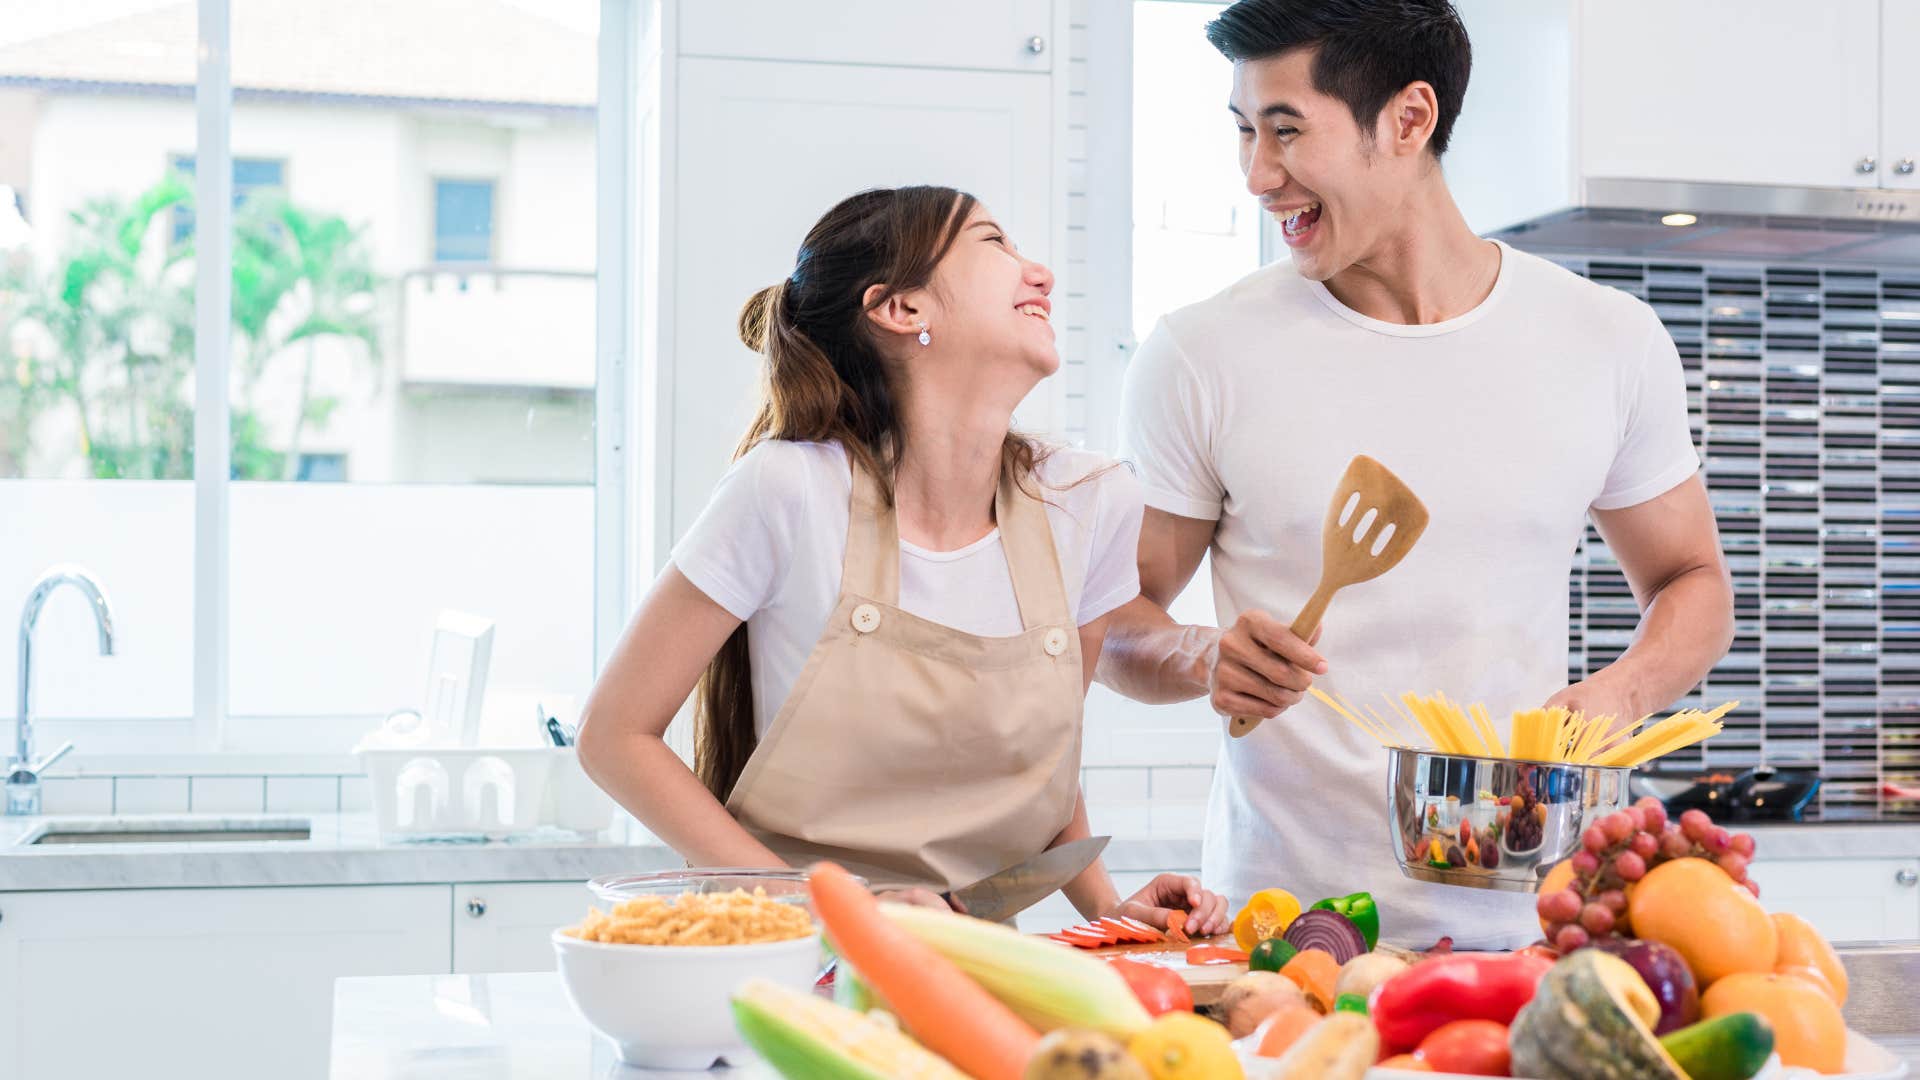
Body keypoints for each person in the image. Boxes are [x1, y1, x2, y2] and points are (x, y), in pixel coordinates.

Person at [1097, 0, 1733, 947]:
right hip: (1286, 930)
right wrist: (1202, 656)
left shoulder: (1606, 339)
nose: (1257, 177)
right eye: (1241, 133)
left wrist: (1625, 693)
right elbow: (1112, 621)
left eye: (1284, 132)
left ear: (1408, 119)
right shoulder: (1201, 354)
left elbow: (1694, 581)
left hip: (1539, 919)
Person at [579, 185, 1228, 932]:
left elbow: (1040, 780)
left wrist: (1111, 908)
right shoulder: (789, 490)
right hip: (793, 953)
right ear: (902, 309)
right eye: (995, 245)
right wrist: (835, 908)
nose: (1040, 273)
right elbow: (612, 735)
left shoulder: (1087, 502)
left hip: (975, 958)